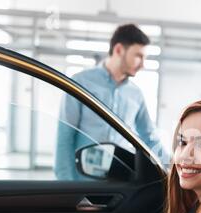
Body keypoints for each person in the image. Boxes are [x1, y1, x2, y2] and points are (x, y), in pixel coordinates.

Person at [55, 24, 167, 180]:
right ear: (119, 50)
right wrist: (66, 186)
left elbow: (149, 137)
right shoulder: (80, 83)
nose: (142, 64)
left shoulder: (136, 94)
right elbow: (65, 136)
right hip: (84, 181)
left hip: (121, 182)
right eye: (138, 56)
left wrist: (172, 167)